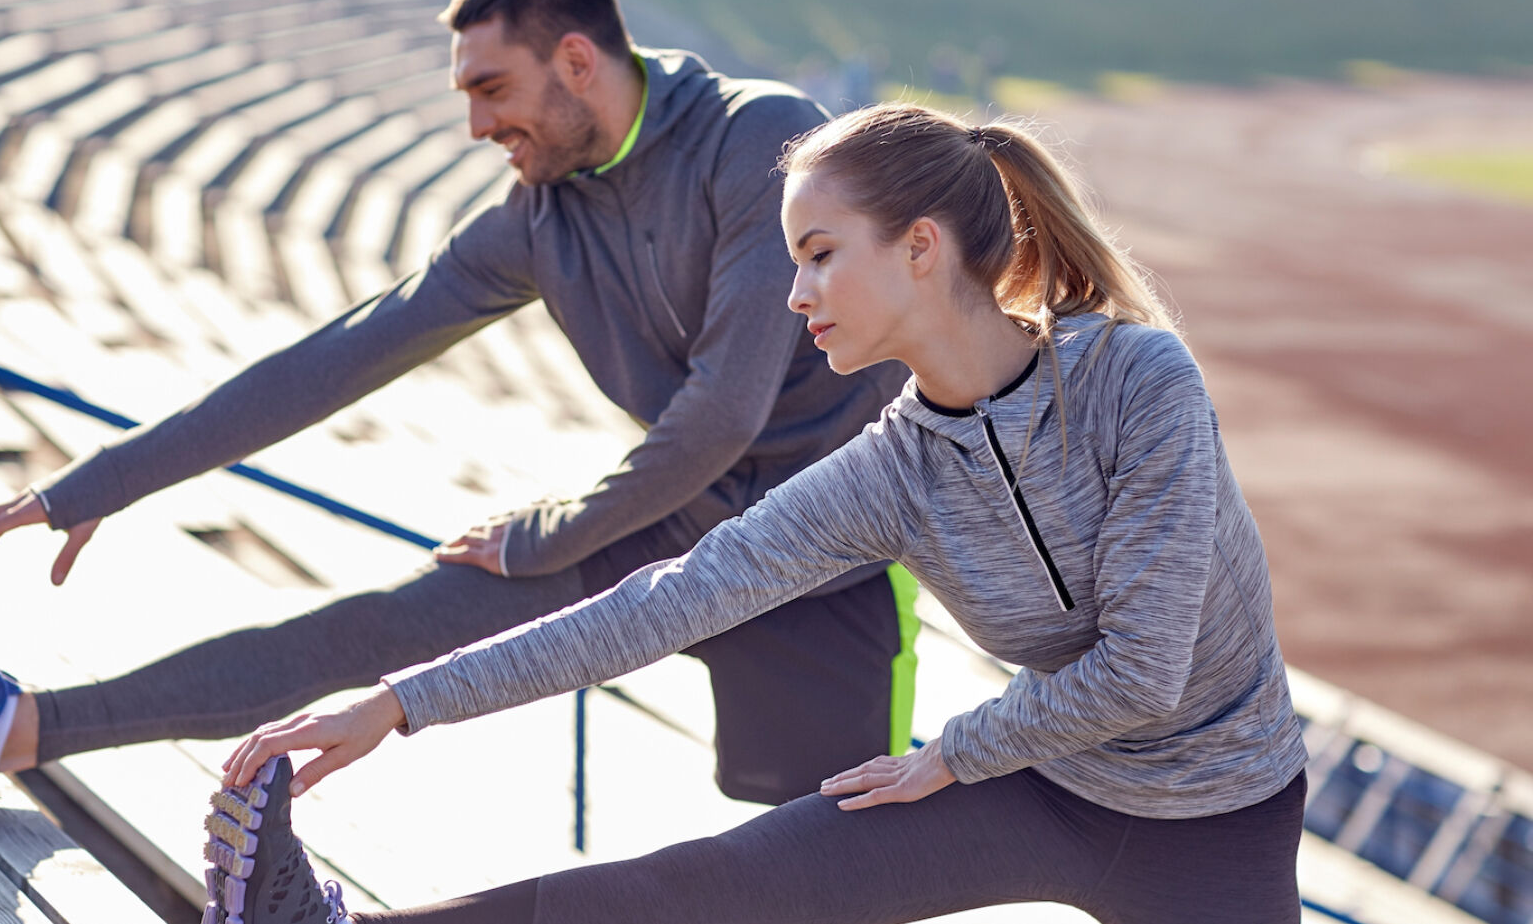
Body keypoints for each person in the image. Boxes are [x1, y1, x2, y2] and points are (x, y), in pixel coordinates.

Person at [200, 103, 1313, 924]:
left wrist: (958, 754)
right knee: (711, 886)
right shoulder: (891, 472)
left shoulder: (1137, 381)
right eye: (793, 261)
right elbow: (667, 605)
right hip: (1039, 785)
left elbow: (1146, 671)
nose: (796, 295)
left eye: (822, 256)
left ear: (921, 247)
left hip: (1219, 825)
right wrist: (396, 705)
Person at [0, 0, 915, 809]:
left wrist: (546, 535)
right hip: (669, 522)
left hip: (821, 560)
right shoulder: (538, 222)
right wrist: (96, 486)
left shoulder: (761, 141)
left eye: (491, 89)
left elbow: (721, 413)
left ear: (575, 61)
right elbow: (336, 358)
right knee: (372, 632)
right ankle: (5, 734)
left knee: (823, 847)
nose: (475, 125)